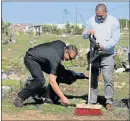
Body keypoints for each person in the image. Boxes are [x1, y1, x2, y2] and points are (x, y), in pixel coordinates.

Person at [14, 40, 78, 107]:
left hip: (42, 60)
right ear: (66, 51)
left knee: (60, 71)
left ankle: (49, 98)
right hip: (31, 58)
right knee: (40, 80)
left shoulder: (61, 44)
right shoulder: (55, 59)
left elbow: (50, 46)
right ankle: (19, 98)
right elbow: (52, 81)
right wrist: (63, 97)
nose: (69, 60)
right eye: (70, 58)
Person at [82, 4, 120, 110]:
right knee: (93, 77)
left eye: (101, 16)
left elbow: (115, 39)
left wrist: (104, 46)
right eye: (97, 16)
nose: (99, 18)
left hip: (107, 54)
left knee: (108, 78)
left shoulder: (114, 21)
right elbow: (83, 34)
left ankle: (109, 101)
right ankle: (92, 100)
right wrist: (87, 32)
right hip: (94, 54)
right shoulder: (91, 20)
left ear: (106, 12)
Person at [24, 64, 89, 104]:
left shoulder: (67, 75)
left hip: (65, 75)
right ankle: (48, 97)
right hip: (61, 76)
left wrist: (83, 75)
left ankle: (49, 97)